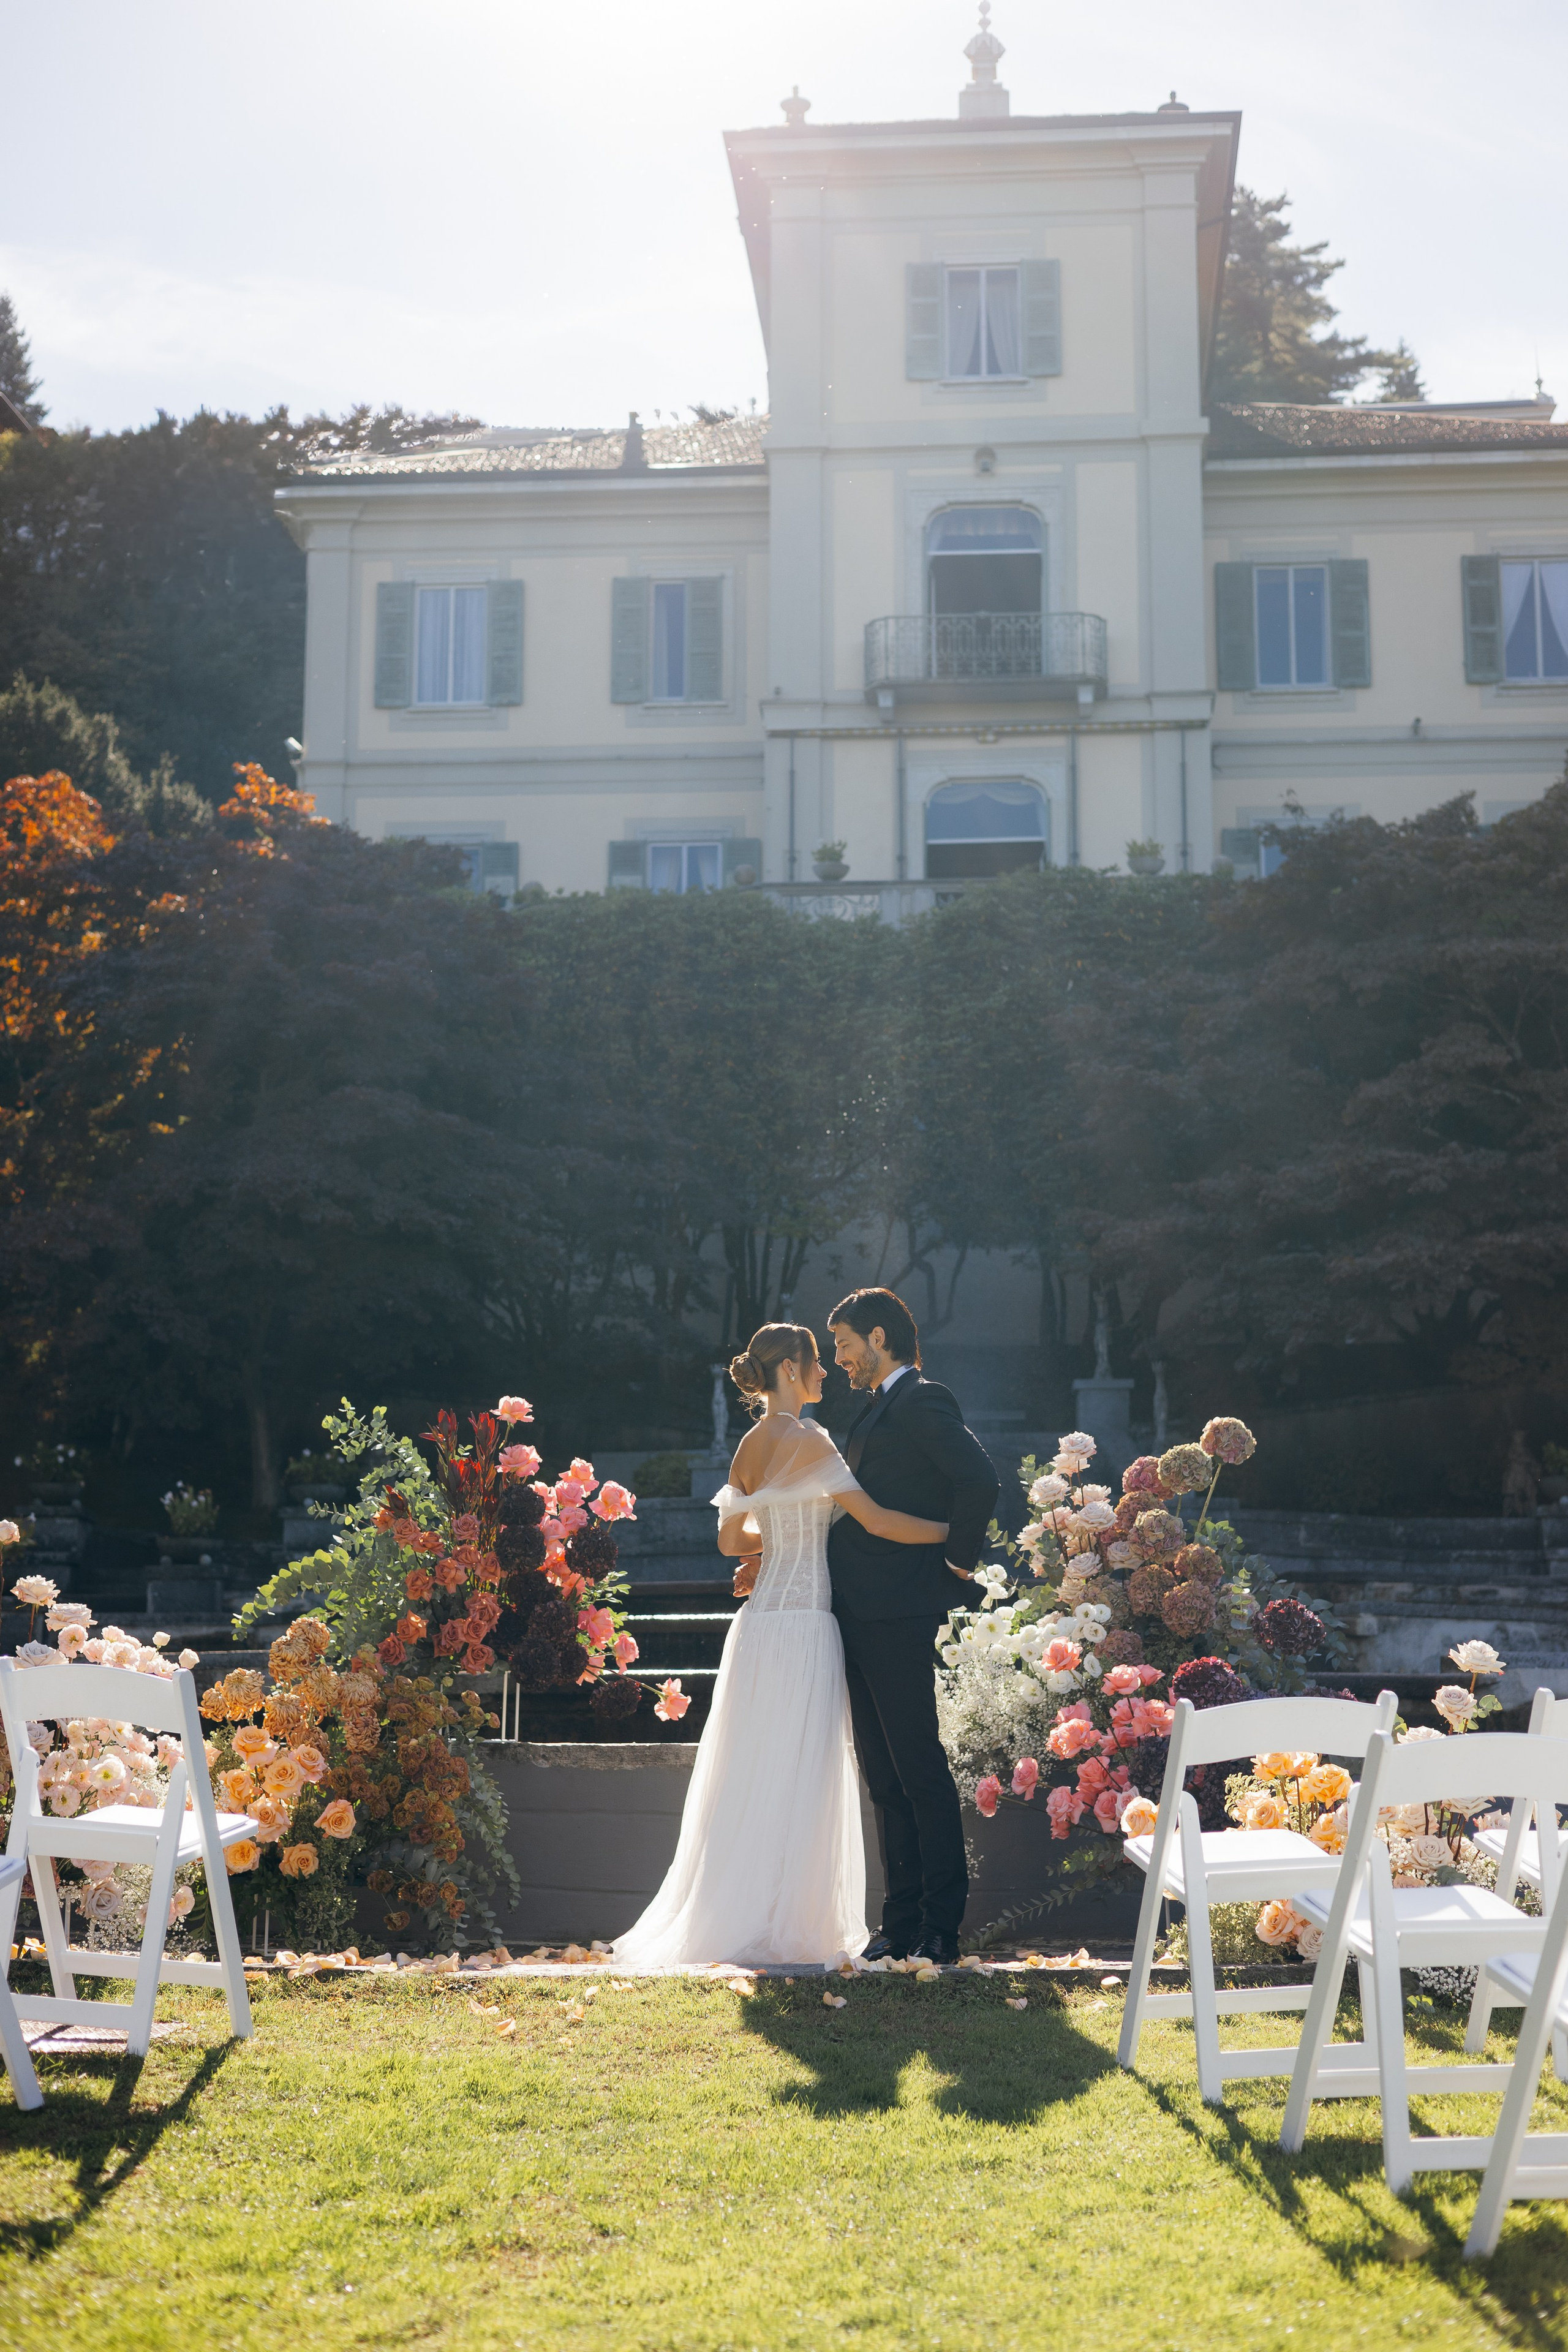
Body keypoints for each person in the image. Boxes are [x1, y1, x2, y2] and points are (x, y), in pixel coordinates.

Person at [611, 1322, 948, 1970]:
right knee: (805, 1772)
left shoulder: (749, 1444)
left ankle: (743, 1916)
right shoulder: (810, 1438)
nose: (826, 1373)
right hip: (805, 1623)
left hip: (760, 1625)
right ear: (792, 1368)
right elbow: (876, 1520)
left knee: (755, 1768)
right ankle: (789, 1923)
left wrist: (777, 1544)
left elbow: (732, 1543)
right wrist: (952, 1533)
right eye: (818, 1363)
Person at [824, 1287, 999, 1966]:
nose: (837, 1358)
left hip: (897, 1609)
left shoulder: (922, 1398)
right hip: (858, 1609)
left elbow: (978, 1481)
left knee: (919, 1768)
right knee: (883, 1777)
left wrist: (954, 1564)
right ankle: (896, 1923)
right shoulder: (876, 1405)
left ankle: (941, 1927)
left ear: (877, 1337)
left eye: (842, 1343)